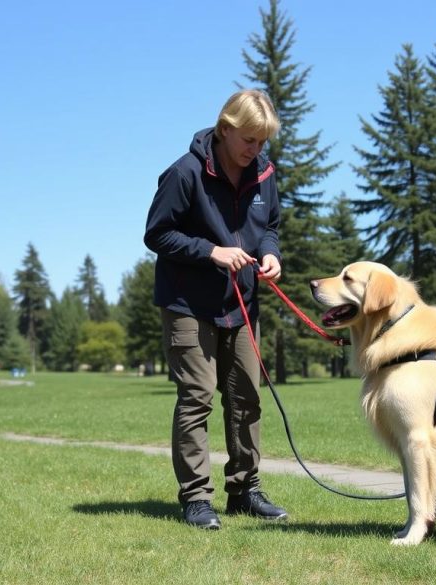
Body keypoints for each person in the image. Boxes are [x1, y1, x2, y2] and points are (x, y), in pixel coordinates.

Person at [144, 89, 286, 529]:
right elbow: (156, 235)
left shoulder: (263, 174)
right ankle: (196, 499)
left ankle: (245, 491)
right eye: (248, 140)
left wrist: (270, 253)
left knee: (247, 396)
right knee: (197, 397)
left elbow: (271, 226)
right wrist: (211, 252)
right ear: (225, 129)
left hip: (241, 305)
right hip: (189, 304)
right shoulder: (184, 173)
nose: (255, 150)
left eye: (262, 142)